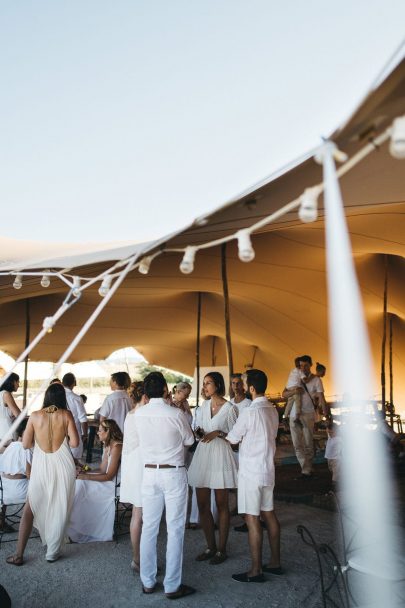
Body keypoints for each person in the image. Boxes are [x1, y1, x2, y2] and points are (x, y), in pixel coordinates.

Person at [133, 373, 196, 599]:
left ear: (145, 392)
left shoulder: (138, 414)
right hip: (173, 472)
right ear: (165, 389)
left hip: (149, 473)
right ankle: (172, 585)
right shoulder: (176, 414)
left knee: (149, 527)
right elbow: (190, 441)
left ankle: (148, 581)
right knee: (175, 528)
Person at [6, 383, 79, 565]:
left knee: (30, 507)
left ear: (46, 397)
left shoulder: (35, 416)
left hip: (41, 464)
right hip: (62, 464)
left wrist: (40, 443)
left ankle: (19, 554)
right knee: (60, 503)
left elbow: (25, 444)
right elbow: (75, 443)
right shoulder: (66, 415)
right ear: (62, 398)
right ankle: (52, 552)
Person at [227, 369, 282, 582]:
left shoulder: (250, 411)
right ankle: (275, 562)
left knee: (252, 519)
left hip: (251, 471)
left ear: (251, 388)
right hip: (268, 468)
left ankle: (256, 570)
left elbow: (233, 438)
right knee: (269, 513)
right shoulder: (272, 409)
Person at [188, 371, 238, 565]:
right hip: (203, 454)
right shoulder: (202, 407)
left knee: (221, 503)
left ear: (217, 384)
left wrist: (219, 432)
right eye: (204, 384)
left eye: (208, 383)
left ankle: (222, 550)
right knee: (202, 504)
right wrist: (199, 433)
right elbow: (198, 431)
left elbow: (236, 440)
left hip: (220, 456)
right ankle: (210, 546)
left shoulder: (230, 408)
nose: (205, 387)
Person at [67, 419, 123, 543]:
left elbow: (109, 475)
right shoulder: (108, 445)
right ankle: (74, 526)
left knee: (81, 484)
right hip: (107, 480)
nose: (97, 433)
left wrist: (86, 477)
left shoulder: (117, 447)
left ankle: (78, 529)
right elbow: (102, 469)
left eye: (100, 430)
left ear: (108, 431)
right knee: (78, 483)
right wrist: (85, 472)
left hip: (115, 484)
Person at [282, 355, 327, 479]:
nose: (303, 368)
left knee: (308, 443)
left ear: (310, 365)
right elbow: (284, 394)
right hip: (293, 415)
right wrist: (295, 391)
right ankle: (306, 468)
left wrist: (326, 413)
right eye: (300, 365)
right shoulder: (295, 375)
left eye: (305, 365)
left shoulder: (316, 380)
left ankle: (306, 470)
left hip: (308, 413)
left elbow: (322, 398)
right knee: (297, 444)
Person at [120, 385, 146, 572]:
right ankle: (139, 559)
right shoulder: (143, 415)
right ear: (145, 396)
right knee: (142, 515)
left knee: (138, 514)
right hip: (142, 466)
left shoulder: (130, 414)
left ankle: (137, 558)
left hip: (131, 465)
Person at [0, 419, 32, 533]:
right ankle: (36, 523)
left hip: (3, 493)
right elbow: (30, 476)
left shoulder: (9, 447)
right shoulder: (26, 449)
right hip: (19, 493)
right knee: (45, 490)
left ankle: (1, 521)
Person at [62, 373, 88, 460]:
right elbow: (83, 419)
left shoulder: (57, 396)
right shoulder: (77, 398)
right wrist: (85, 434)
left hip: (59, 435)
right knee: (74, 462)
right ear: (74, 383)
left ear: (62, 383)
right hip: (75, 434)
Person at [0, 373, 21, 445]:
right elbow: (18, 414)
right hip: (7, 431)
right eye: (18, 382)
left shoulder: (1, 393)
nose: (19, 385)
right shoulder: (6, 394)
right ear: (13, 382)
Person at [283, 357, 303, 425]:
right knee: (298, 403)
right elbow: (305, 379)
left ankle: (285, 417)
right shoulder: (300, 371)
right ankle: (297, 418)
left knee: (289, 404)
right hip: (295, 388)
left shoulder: (292, 370)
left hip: (289, 388)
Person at [325, 422, 341, 487]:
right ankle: (338, 478)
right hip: (329, 458)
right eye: (329, 432)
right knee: (331, 469)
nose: (330, 434)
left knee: (335, 471)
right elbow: (328, 430)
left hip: (336, 458)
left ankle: (335, 483)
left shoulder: (339, 439)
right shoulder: (330, 436)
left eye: (332, 432)